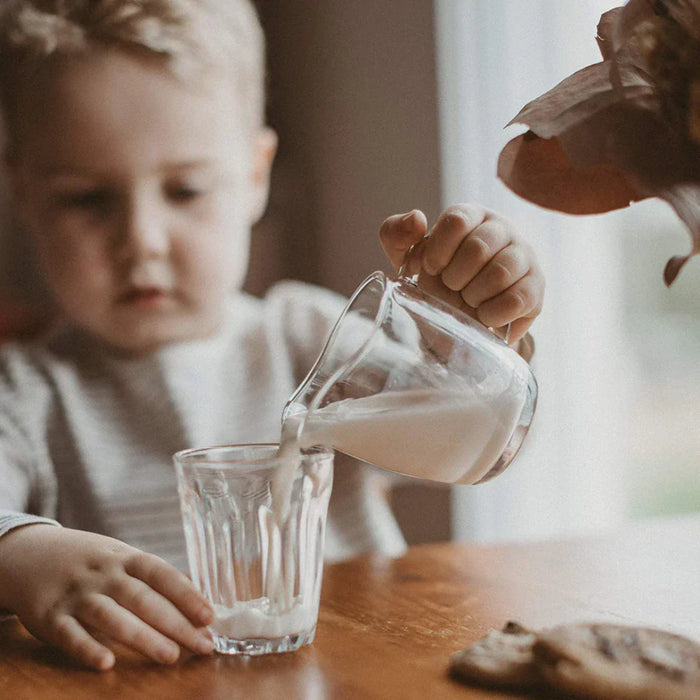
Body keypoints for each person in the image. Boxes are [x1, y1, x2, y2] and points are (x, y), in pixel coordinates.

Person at [0, 0, 545, 672]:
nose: (140, 240)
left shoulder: (306, 335)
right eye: (87, 199)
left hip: (353, 670)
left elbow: (483, 436)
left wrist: (465, 333)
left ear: (255, 176)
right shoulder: (24, 391)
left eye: (186, 190)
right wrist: (18, 552)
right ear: (22, 194)